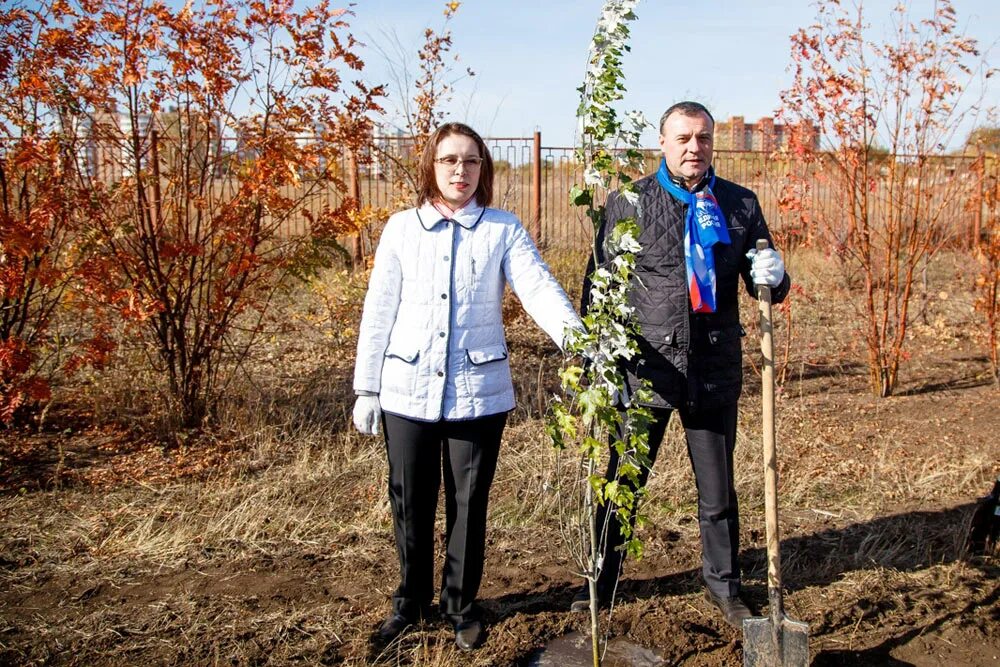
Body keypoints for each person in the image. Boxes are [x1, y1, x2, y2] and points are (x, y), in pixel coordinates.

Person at [352, 122, 582, 651]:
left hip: (478, 392)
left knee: (469, 501)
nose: (461, 171)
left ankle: (459, 604)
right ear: (431, 166)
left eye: (472, 161)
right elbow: (378, 310)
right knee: (410, 500)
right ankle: (409, 604)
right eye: (450, 160)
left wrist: (578, 339)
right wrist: (367, 387)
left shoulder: (503, 228)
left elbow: (537, 287)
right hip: (406, 388)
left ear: (485, 169)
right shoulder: (401, 229)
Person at [570, 101, 790, 629]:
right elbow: (597, 284)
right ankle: (602, 581)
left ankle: (725, 586)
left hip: (713, 366)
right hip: (646, 367)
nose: (695, 148)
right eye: (684, 138)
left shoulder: (739, 204)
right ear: (663, 144)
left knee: (718, 491)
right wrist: (592, 353)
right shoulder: (631, 203)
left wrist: (775, 275)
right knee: (623, 480)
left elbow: (768, 286)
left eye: (704, 138)